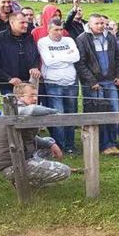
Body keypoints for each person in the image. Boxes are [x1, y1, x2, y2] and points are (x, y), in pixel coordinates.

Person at [0, 83, 71, 188]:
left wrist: (51, 144)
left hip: (18, 155)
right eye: (31, 95)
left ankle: (30, 180)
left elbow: (31, 138)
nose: (35, 98)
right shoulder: (15, 109)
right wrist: (54, 112)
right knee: (64, 171)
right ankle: (25, 182)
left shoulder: (19, 108)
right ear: (19, 97)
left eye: (36, 95)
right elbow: (32, 110)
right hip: (11, 164)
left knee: (48, 142)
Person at [75, 14, 119, 155]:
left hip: (110, 81)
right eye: (97, 23)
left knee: (114, 112)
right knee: (99, 113)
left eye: (102, 23)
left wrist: (118, 75)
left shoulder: (111, 37)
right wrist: (91, 81)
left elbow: (117, 57)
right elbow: (81, 63)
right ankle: (103, 145)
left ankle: (112, 143)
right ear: (90, 24)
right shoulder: (82, 39)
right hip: (94, 84)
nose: (101, 26)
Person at [37, 18, 80, 154]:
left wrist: (58, 57)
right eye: (56, 29)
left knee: (71, 113)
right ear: (49, 30)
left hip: (70, 82)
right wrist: (66, 58)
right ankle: (59, 145)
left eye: (61, 29)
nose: (59, 32)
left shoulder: (69, 41)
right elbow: (49, 61)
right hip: (53, 83)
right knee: (58, 114)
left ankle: (70, 145)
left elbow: (76, 57)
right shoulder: (43, 42)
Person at [0, 12, 41, 95]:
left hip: (28, 84)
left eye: (27, 23)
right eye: (22, 22)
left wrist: (34, 67)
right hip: (8, 85)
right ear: (12, 23)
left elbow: (35, 55)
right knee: (12, 107)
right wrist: (8, 79)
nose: (26, 25)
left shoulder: (29, 37)